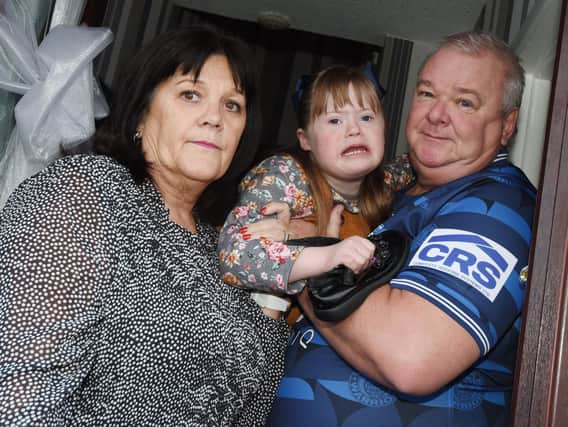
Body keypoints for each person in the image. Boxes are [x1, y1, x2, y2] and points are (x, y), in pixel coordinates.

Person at [0, 27, 289, 426]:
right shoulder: (86, 190)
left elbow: (253, 407)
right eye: (191, 94)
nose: (214, 118)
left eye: (232, 105)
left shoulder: (223, 246)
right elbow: (18, 396)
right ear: (140, 112)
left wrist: (274, 275)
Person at [267, 31, 537, 427]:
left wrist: (299, 249)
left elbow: (411, 356)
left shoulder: (498, 206)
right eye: (427, 94)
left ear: (506, 125)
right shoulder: (393, 189)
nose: (437, 115)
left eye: (465, 102)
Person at [218, 64, 413, 317]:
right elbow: (235, 255)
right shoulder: (284, 173)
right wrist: (327, 254)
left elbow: (421, 160)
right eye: (334, 120)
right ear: (305, 139)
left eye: (366, 117)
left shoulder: (384, 183)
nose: (355, 129)